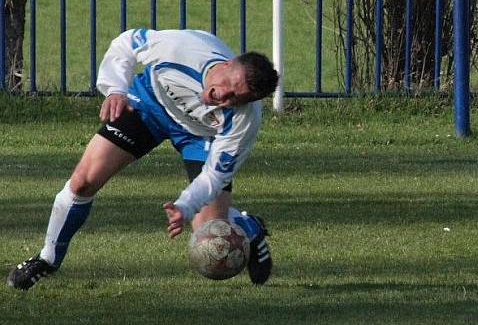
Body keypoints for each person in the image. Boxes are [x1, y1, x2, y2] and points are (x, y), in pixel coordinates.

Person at [7, 28, 279, 290]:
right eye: (228, 87)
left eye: (235, 99)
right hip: (151, 102)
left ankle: (248, 227)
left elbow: (215, 175)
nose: (223, 98)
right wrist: (116, 89)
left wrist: (184, 207)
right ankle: (47, 259)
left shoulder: (245, 120)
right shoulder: (180, 48)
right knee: (83, 182)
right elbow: (127, 43)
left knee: (208, 231)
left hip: (200, 136)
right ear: (228, 63)